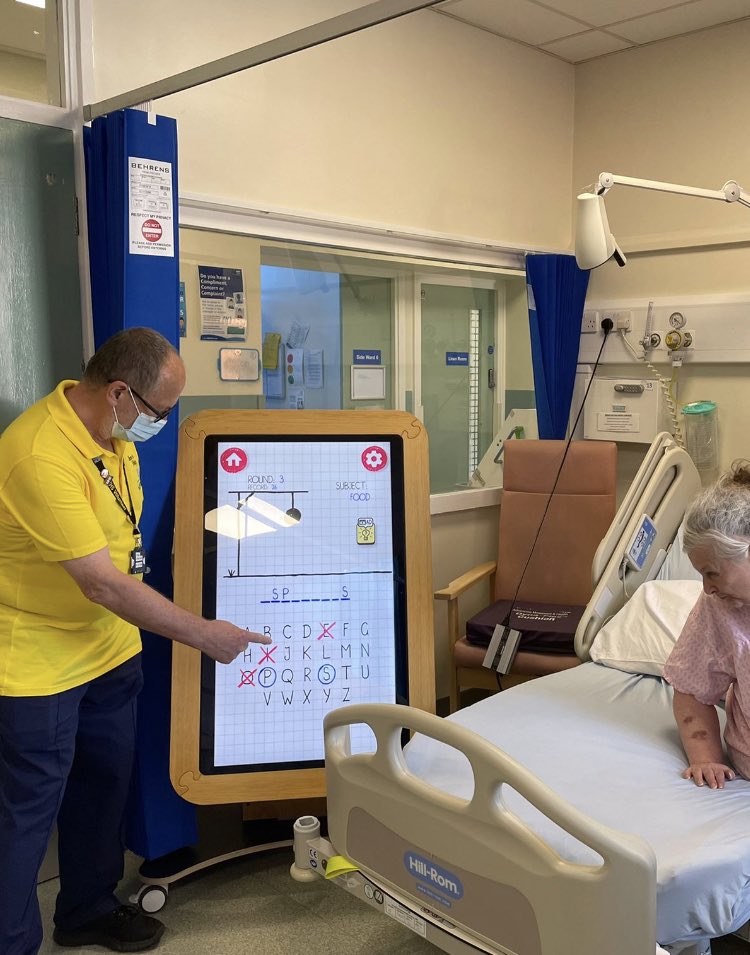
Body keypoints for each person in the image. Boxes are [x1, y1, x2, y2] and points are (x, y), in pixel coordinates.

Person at [0, 327, 271, 955]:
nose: (163, 423)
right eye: (160, 411)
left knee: (102, 788)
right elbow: (102, 584)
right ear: (120, 391)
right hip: (39, 663)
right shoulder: (38, 453)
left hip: (111, 652)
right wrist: (204, 635)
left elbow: (123, 549)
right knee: (26, 815)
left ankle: (87, 910)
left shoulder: (114, 440)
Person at [663, 461, 750, 791]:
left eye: (712, 572)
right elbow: (691, 688)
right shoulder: (717, 608)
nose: (707, 587)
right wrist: (706, 757)